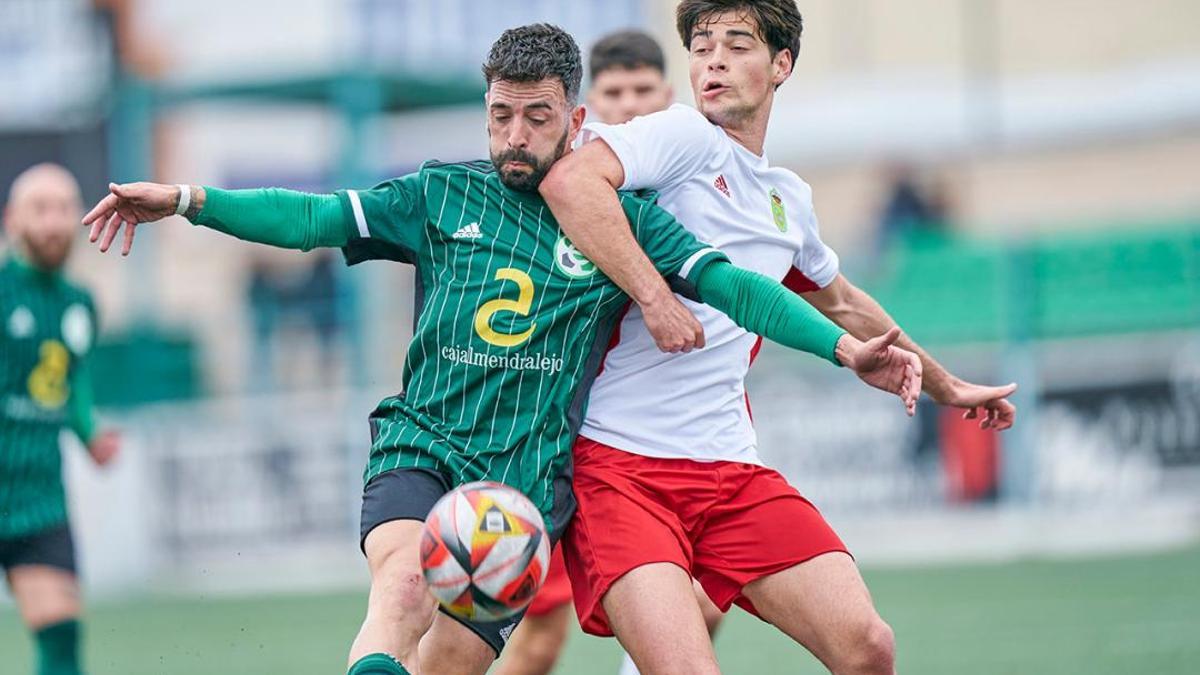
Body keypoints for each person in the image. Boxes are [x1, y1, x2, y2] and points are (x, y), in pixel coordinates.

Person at [82, 24, 923, 675]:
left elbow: (737, 287)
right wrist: (188, 199)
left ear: (576, 120)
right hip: (423, 443)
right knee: (404, 585)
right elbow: (313, 218)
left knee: (450, 664)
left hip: (524, 485)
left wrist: (840, 348)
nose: (515, 135)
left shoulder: (622, 223)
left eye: (537, 117)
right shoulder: (441, 193)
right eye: (499, 116)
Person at [538, 2, 1018, 674]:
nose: (714, 62)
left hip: (728, 469)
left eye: (737, 46)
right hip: (619, 469)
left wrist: (948, 385)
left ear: (781, 64)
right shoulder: (681, 135)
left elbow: (844, 302)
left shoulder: (786, 199)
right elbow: (569, 180)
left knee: (867, 646)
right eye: (702, 47)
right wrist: (653, 295)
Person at [498, 29, 722, 675]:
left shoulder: (691, 184)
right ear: (587, 108)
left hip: (654, 440)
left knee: (706, 599)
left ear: (669, 97)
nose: (629, 105)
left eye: (642, 91)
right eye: (614, 93)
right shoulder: (563, 184)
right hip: (553, 442)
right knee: (538, 638)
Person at [1, 163, 121, 675]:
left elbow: (74, 383)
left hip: (39, 499)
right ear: (12, 219)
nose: (53, 222)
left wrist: (90, 432)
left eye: (64, 209)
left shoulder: (80, 304)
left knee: (61, 637)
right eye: (40, 209)